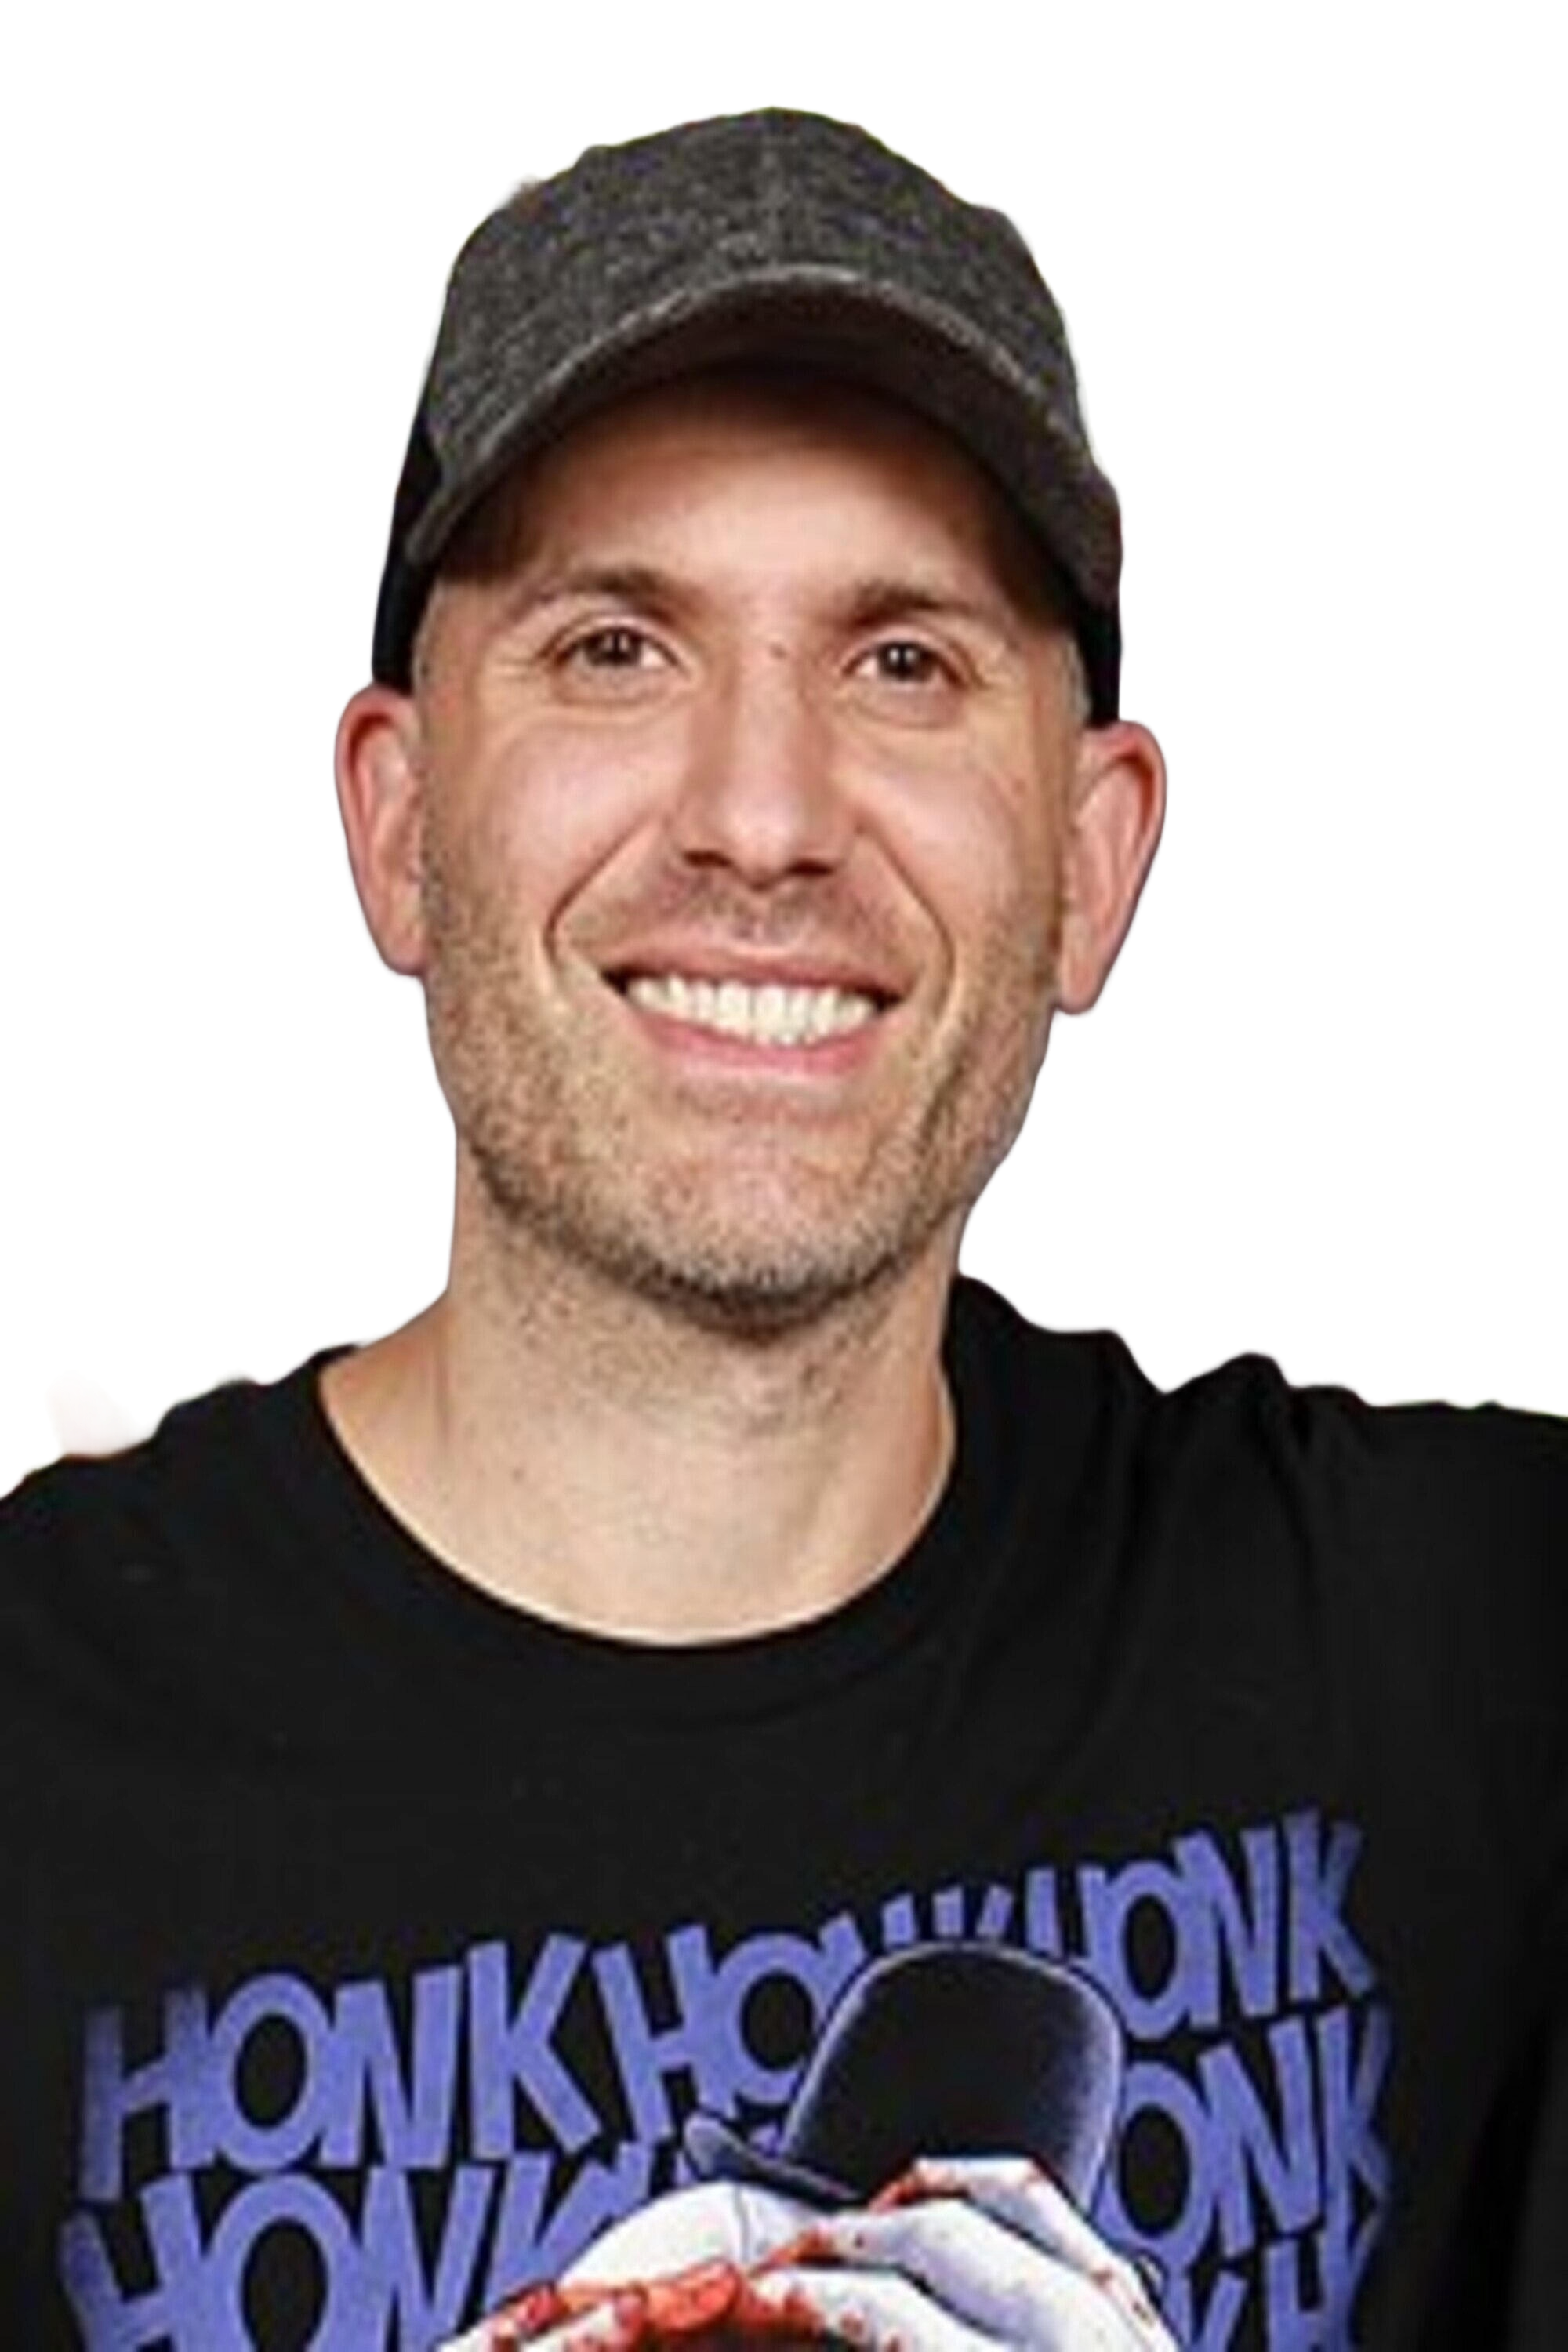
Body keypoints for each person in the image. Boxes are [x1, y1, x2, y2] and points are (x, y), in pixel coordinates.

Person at [3, 107, 1562, 2352]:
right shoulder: (35, 1750)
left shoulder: (1466, 1652)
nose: (761, 814)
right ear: (399, 823)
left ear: (1096, 863)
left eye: (904, 661)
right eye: (614, 646)